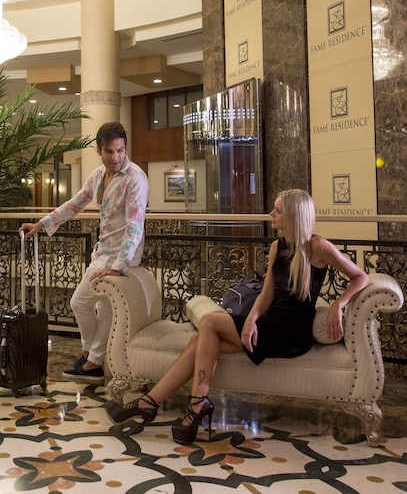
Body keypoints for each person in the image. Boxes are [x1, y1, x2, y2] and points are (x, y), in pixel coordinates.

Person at [105, 188, 369, 443]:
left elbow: (361, 277)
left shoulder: (318, 246)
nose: (270, 214)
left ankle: (193, 404)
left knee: (208, 322)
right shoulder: (278, 246)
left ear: (293, 215)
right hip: (269, 326)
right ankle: (150, 403)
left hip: (291, 334)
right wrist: (252, 319)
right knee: (201, 341)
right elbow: (266, 293)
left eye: (277, 210)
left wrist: (338, 305)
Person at [21, 122, 149, 384]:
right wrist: (42, 224)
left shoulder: (135, 178)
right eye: (109, 152)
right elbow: (75, 203)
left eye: (120, 151)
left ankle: (89, 356)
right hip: (103, 251)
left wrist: (120, 265)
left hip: (120, 256)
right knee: (104, 310)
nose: (116, 157)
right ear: (98, 150)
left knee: (79, 302)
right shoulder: (98, 175)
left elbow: (135, 226)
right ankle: (93, 363)